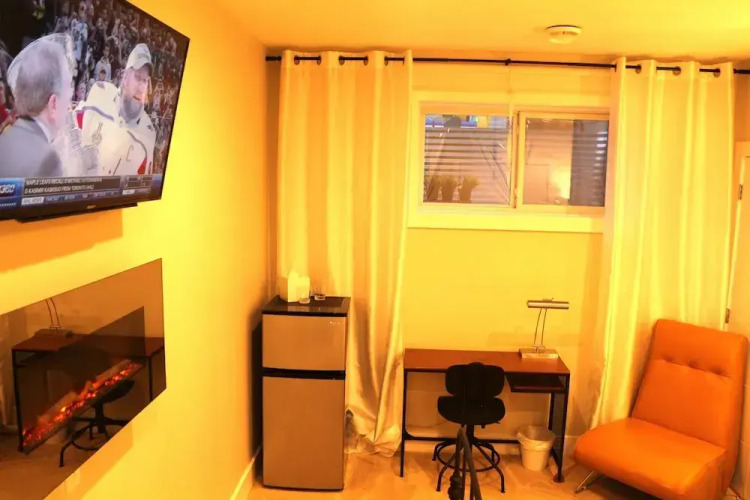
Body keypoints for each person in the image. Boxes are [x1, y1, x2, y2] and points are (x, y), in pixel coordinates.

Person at [75, 43, 155, 176]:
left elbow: (143, 183)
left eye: (145, 81)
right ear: (126, 77)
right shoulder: (100, 94)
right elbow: (70, 131)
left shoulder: (147, 134)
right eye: (137, 77)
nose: (141, 87)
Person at [0, 36, 74, 178]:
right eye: (67, 96)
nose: (69, 106)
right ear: (53, 103)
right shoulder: (49, 161)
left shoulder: (4, 139)